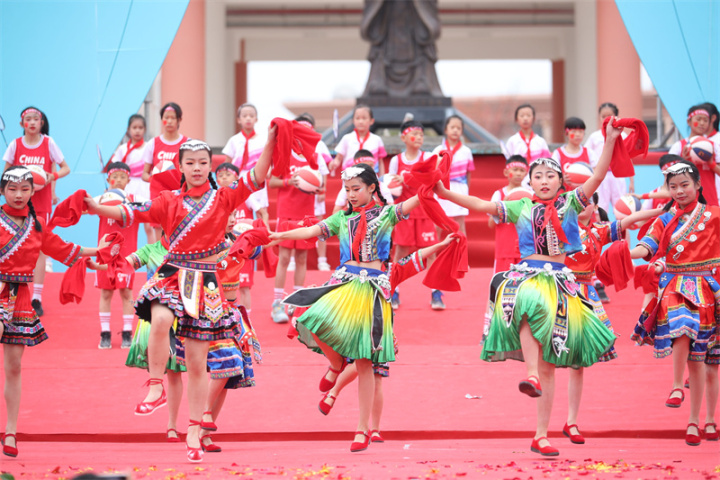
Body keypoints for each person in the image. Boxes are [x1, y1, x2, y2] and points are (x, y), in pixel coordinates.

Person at [434, 118, 623, 456]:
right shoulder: (520, 205)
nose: (545, 180)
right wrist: (444, 192)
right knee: (523, 298)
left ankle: (540, 434)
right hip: (528, 273)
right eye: (538, 176)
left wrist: (609, 140)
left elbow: (597, 175)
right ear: (530, 181)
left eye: (551, 175)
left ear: (560, 181)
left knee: (552, 367)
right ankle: (531, 374)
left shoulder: (570, 203)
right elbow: (479, 205)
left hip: (562, 279)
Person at [85, 132, 275, 463]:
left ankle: (192, 431)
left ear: (210, 167)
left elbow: (257, 176)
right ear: (180, 166)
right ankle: (155, 385)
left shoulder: (223, 198)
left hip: (206, 284)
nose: (198, 168)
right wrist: (95, 207)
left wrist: (272, 138)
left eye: (204, 163)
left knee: (199, 363)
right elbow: (132, 212)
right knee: (159, 318)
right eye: (191, 163)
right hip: (173, 274)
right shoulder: (168, 200)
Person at [270, 162, 422, 452]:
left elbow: (418, 200)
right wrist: (280, 236)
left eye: (356, 189)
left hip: (373, 289)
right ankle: (335, 363)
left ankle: (362, 428)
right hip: (344, 283)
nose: (351, 194)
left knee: (365, 363)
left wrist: (429, 182)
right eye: (347, 189)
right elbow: (313, 230)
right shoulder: (342, 218)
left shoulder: (388, 215)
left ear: (372, 188)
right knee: (305, 316)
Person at [317, 233, 459, 444]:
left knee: (376, 377)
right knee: (360, 366)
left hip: (381, 330)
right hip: (353, 327)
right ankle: (335, 390)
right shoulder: (351, 270)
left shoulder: (392, 271)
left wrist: (441, 243)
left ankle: (373, 428)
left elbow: (415, 257)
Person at [0, 166, 101, 458]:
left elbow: (63, 249)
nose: (18, 195)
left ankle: (10, 432)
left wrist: (97, 251)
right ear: (3, 191)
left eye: (24, 189)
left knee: (14, 367)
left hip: (21, 299)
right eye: (12, 189)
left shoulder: (37, 225)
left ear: (33, 192)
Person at [628, 161, 720, 447]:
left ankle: (705, 420)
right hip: (677, 284)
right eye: (673, 186)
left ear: (698, 186)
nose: (679, 191)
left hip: (710, 287)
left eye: (684, 185)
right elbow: (647, 247)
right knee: (682, 325)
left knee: (708, 360)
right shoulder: (665, 219)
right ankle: (677, 387)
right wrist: (622, 255)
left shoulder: (715, 216)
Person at [563, 193, 662, 444]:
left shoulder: (600, 231)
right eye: (575, 202)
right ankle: (541, 422)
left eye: (586, 202)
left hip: (585, 296)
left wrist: (661, 211)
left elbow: (630, 220)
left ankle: (571, 422)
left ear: (595, 206)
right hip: (556, 291)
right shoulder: (559, 227)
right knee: (546, 359)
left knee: (578, 363)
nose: (580, 207)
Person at [89, 233, 185, 443]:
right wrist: (98, 267)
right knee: (163, 369)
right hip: (155, 315)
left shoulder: (189, 249)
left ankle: (172, 426)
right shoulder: (150, 250)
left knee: (176, 374)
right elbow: (125, 264)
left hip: (181, 316)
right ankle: (158, 397)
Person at [2, 107, 71, 317]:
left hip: (40, 204)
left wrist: (52, 177)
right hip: (17, 205)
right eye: (28, 119)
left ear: (41, 122)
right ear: (22, 123)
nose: (32, 122)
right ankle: (11, 291)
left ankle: (36, 298)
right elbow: (5, 174)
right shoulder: (15, 144)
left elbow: (65, 167)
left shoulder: (49, 143)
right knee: (13, 246)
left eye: (36, 119)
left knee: (40, 249)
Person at [267, 119, 329, 324]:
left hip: (306, 214)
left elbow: (321, 185)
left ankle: (296, 302)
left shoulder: (315, 158)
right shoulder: (283, 154)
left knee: (302, 258)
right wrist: (289, 181)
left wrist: (316, 187)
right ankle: (277, 302)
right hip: (287, 212)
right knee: (284, 258)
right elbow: (271, 181)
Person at [387, 120, 441, 310]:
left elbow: (432, 178)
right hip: (404, 212)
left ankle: (436, 293)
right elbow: (390, 186)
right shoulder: (396, 161)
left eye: (421, 134)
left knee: (431, 251)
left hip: (425, 210)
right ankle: (393, 291)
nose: (418, 137)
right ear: (403, 137)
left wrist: (407, 177)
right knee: (400, 251)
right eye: (414, 134)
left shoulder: (427, 157)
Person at [95, 162, 139, 349]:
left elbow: (151, 207)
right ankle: (105, 333)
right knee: (106, 292)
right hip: (105, 254)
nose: (119, 180)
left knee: (126, 292)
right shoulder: (100, 199)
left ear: (129, 180)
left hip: (126, 255)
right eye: (115, 176)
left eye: (123, 177)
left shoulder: (135, 199)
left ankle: (127, 332)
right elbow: (83, 207)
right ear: (108, 179)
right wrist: (102, 201)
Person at [216, 162, 267, 314]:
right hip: (223, 248)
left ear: (237, 177)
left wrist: (260, 230)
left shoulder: (246, 197)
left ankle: (245, 318)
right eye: (220, 175)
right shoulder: (214, 197)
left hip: (241, 247)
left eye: (228, 174)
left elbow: (262, 212)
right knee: (219, 286)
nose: (224, 178)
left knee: (244, 287)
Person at [141, 102, 189, 241]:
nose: (169, 121)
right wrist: (158, 179)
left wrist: (174, 179)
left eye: (173, 117)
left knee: (179, 232)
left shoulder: (186, 143)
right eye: (165, 117)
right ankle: (158, 262)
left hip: (179, 195)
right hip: (158, 196)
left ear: (179, 120)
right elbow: (145, 174)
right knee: (158, 234)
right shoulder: (153, 143)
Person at [222, 103, 270, 228]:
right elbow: (227, 165)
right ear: (239, 119)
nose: (248, 118)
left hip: (258, 180)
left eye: (251, 115)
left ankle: (263, 244)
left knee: (261, 213)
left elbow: (268, 161)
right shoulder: (233, 140)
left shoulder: (263, 140)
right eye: (244, 116)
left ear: (256, 119)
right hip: (239, 182)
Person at [110, 114, 154, 244]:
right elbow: (114, 169)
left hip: (145, 187)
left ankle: (153, 259)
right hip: (128, 188)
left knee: (149, 227)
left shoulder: (149, 147)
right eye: (134, 127)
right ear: (128, 129)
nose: (137, 130)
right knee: (127, 224)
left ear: (145, 129)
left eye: (140, 127)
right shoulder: (122, 149)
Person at [585, 103, 635, 212]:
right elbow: (586, 155)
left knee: (622, 208)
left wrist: (631, 181)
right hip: (600, 177)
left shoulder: (622, 136)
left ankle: (622, 229)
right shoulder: (594, 137)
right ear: (599, 117)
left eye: (609, 116)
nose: (606, 119)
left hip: (617, 176)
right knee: (600, 207)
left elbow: (628, 157)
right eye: (603, 116)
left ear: (616, 117)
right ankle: (601, 228)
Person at [668, 105, 720, 206]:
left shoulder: (714, 146)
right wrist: (683, 161)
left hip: (710, 201)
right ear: (689, 121)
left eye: (705, 120)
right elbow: (668, 175)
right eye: (698, 119)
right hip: (685, 202)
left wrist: (711, 163)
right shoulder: (678, 146)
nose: (702, 123)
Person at [431, 115, 474, 234]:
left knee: (460, 225)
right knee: (437, 224)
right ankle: (433, 253)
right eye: (452, 127)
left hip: (459, 189)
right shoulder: (438, 150)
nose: (455, 130)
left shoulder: (466, 151)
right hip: (441, 188)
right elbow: (432, 170)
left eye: (458, 128)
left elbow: (468, 173)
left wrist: (466, 191)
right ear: (446, 129)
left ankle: (462, 252)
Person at [328, 105, 387, 176]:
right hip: (349, 179)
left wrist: (381, 179)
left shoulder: (377, 139)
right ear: (353, 120)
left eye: (364, 118)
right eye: (357, 118)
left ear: (371, 121)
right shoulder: (347, 138)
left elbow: (380, 162)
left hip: (370, 179)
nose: (361, 121)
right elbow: (338, 158)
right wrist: (334, 163)